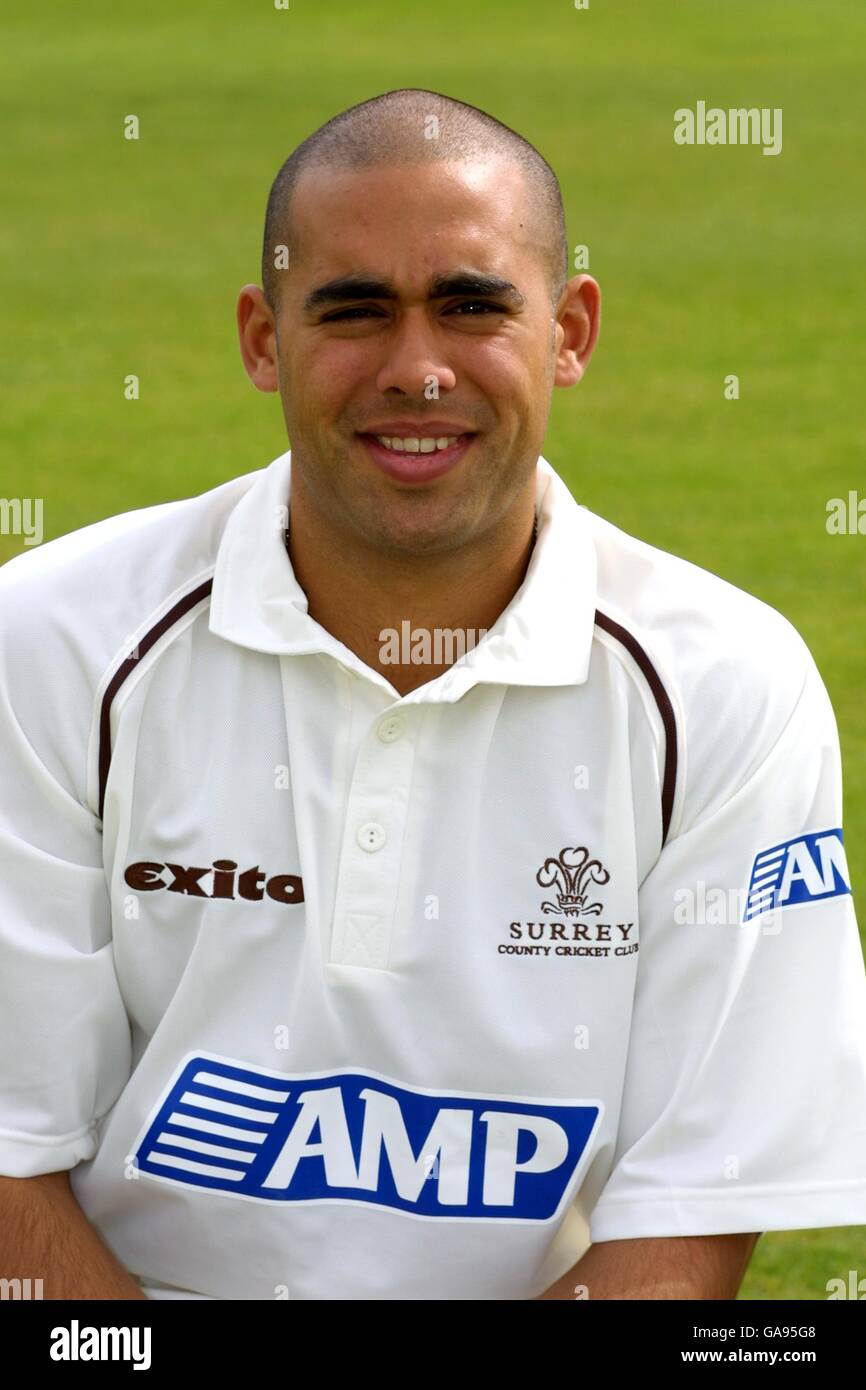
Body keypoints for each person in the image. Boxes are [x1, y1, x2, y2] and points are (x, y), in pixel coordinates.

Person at [1, 88, 864, 1302]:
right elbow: (7, 1164)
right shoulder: (47, 640)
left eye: (471, 307)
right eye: (353, 312)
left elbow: (690, 1208)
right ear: (261, 338)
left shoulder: (724, 683)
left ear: (569, 330)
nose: (416, 372)